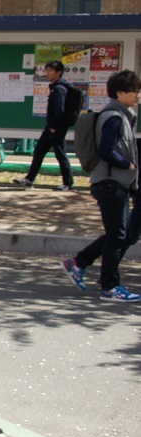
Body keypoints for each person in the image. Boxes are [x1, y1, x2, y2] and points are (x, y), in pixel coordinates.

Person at [61, 69, 141, 301]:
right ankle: (110, 286)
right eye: (134, 91)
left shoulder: (122, 115)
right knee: (118, 235)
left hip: (115, 183)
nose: (137, 95)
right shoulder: (114, 117)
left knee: (119, 233)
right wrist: (129, 165)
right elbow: (107, 151)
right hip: (110, 183)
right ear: (120, 93)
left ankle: (78, 262)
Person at [13, 60, 77, 190]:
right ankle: (29, 179)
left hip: (56, 127)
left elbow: (59, 109)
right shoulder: (55, 87)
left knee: (60, 154)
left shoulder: (59, 88)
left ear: (58, 73)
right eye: (46, 70)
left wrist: (53, 126)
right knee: (39, 151)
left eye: (50, 71)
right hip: (51, 127)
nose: (47, 73)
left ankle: (68, 183)